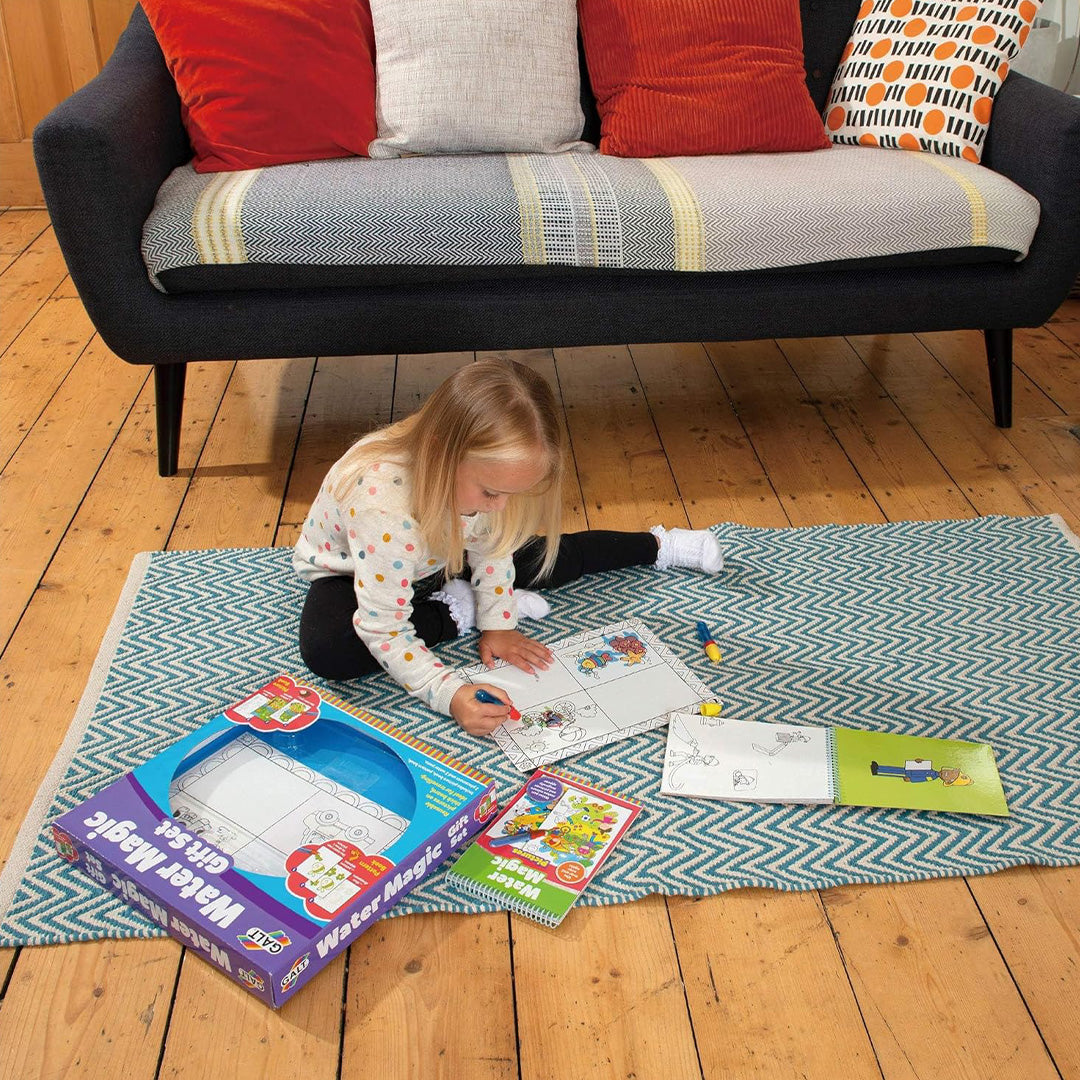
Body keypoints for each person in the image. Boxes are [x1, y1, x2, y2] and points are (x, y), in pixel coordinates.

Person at [294, 358, 724, 736]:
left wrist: (498, 621)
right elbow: (383, 625)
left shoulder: (476, 481)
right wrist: (450, 692)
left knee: (545, 556)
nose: (500, 506)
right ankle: (455, 610)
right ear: (445, 455)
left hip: (440, 553)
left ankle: (656, 545)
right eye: (491, 492)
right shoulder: (382, 506)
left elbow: (493, 548)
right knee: (330, 648)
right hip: (355, 573)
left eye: (510, 494)